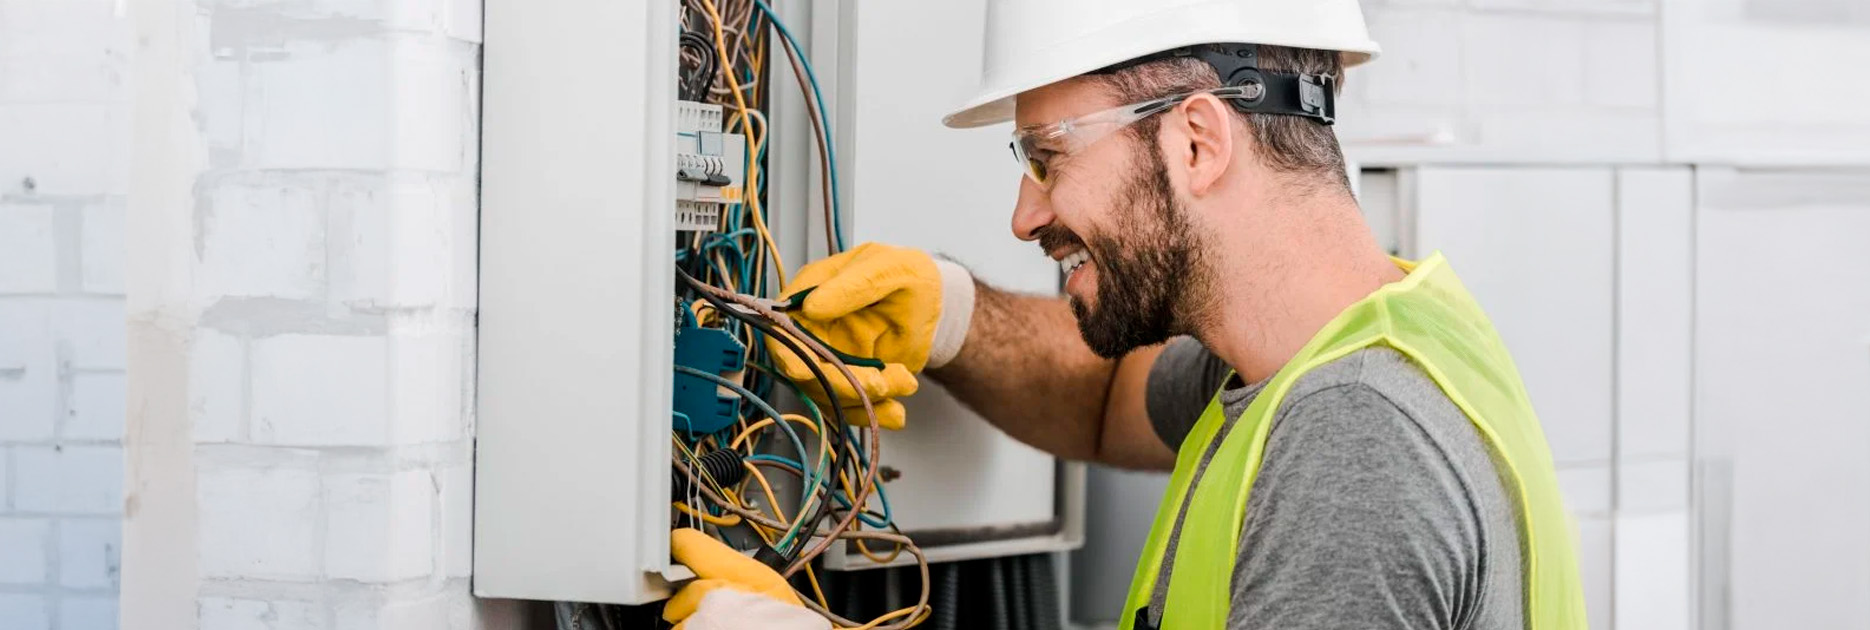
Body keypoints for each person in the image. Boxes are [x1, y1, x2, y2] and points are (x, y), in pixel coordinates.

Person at [665, 0, 1589, 628]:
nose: (1025, 216)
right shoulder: (1333, 346)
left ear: (1196, 141)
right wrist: (954, 317)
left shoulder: (1353, 442)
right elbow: (1107, 399)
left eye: (1048, 157)